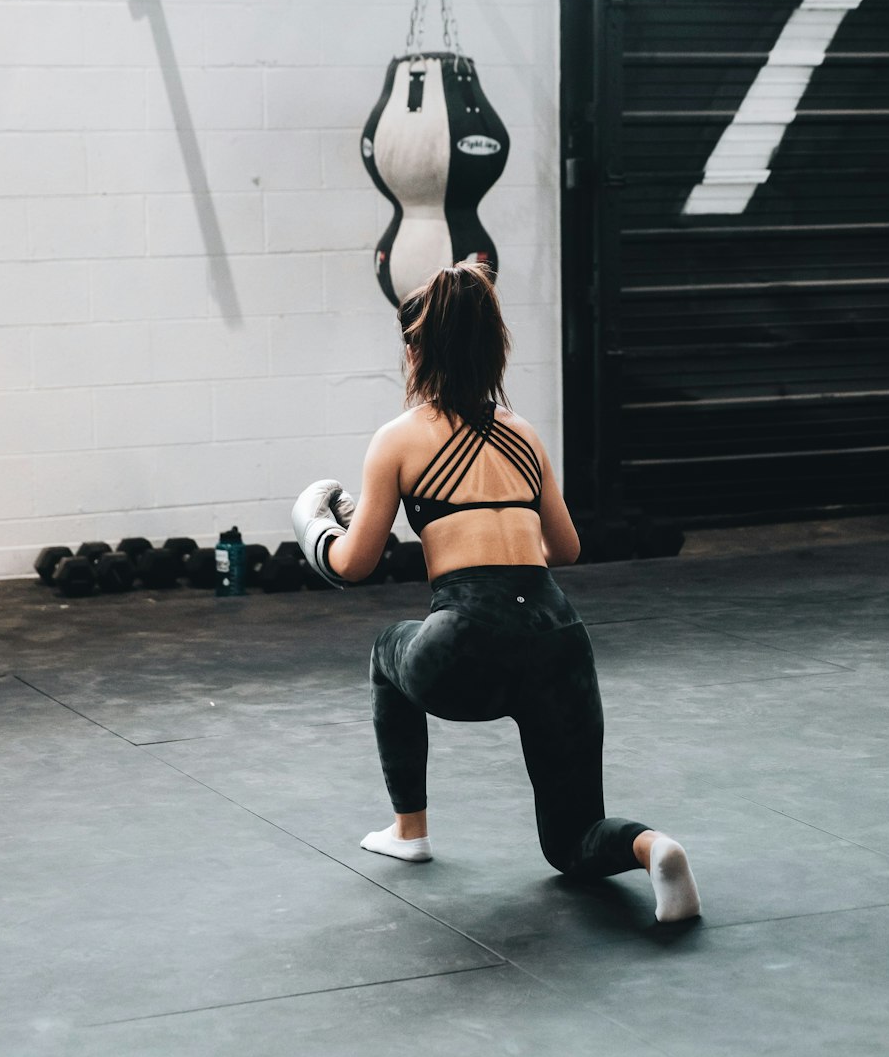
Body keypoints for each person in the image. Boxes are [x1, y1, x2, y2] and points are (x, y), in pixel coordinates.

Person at [292, 264, 700, 923]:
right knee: (571, 839)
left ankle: (410, 831)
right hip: (558, 638)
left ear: (416, 349)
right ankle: (656, 849)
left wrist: (313, 524)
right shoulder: (524, 435)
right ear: (493, 348)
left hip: (466, 644)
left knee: (384, 652)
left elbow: (355, 563)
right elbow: (565, 549)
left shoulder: (397, 439)